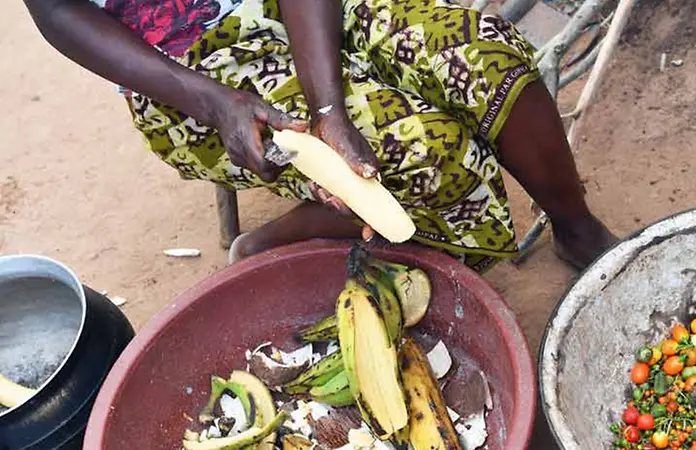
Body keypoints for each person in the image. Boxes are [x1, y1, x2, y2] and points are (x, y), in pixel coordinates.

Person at [24, 0, 617, 272]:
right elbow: (59, 12)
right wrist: (214, 101)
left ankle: (575, 225)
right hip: (181, 73)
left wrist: (327, 105)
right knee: (422, 150)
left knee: (484, 57)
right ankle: (270, 245)